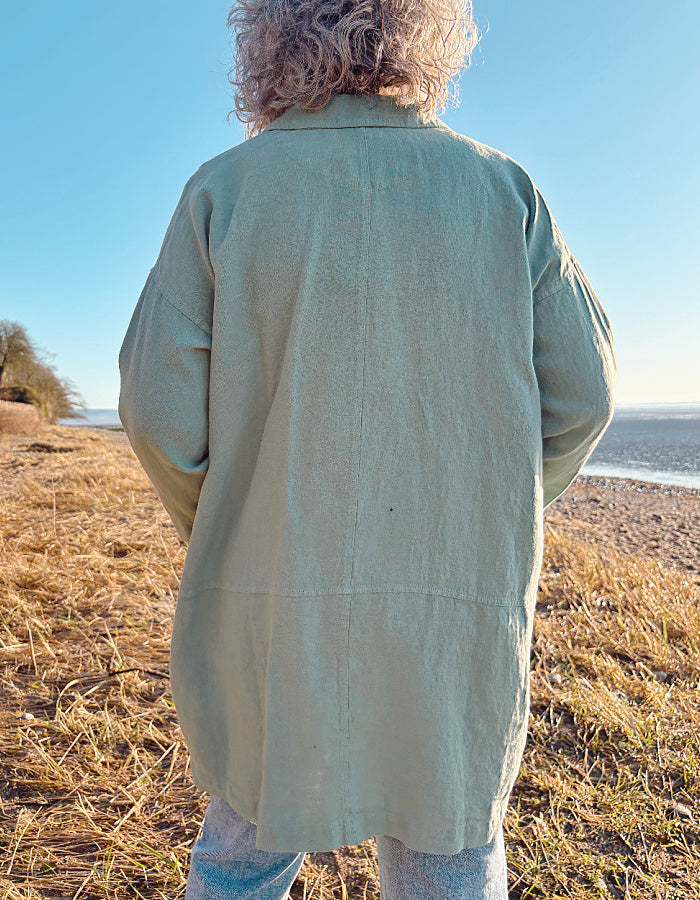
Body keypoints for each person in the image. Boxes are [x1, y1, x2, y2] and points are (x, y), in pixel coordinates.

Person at [118, 0, 616, 896]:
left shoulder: (223, 190)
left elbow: (155, 408)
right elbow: (586, 396)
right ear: (427, 35)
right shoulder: (505, 192)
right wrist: (491, 509)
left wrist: (236, 522)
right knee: (448, 848)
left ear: (270, 40)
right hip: (452, 611)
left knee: (245, 843)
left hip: (271, 603)